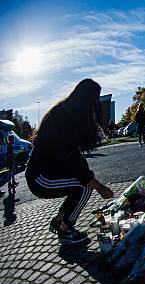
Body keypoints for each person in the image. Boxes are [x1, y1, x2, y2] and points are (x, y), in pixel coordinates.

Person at [25, 79, 114, 245]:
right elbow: (70, 158)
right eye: (95, 98)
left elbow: (74, 156)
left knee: (80, 185)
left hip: (46, 171)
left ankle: (59, 221)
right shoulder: (65, 118)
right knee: (84, 187)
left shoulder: (65, 112)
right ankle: (65, 230)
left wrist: (90, 179)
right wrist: (99, 186)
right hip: (40, 177)